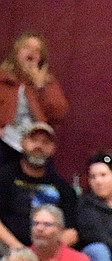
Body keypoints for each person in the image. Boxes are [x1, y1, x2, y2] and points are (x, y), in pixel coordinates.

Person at [0, 122, 77, 251]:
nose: (39, 146)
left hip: (49, 253)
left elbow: (72, 233)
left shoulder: (63, 187)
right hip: (8, 249)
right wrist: (20, 251)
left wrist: (45, 252)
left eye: (45, 142)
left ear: (53, 148)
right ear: (22, 143)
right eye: (34, 140)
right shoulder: (4, 177)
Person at [0, 33, 68, 168]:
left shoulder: (47, 83)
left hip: (36, 145)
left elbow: (59, 113)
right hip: (6, 142)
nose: (32, 52)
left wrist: (40, 87)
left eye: (37, 50)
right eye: (27, 47)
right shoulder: (3, 80)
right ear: (16, 52)